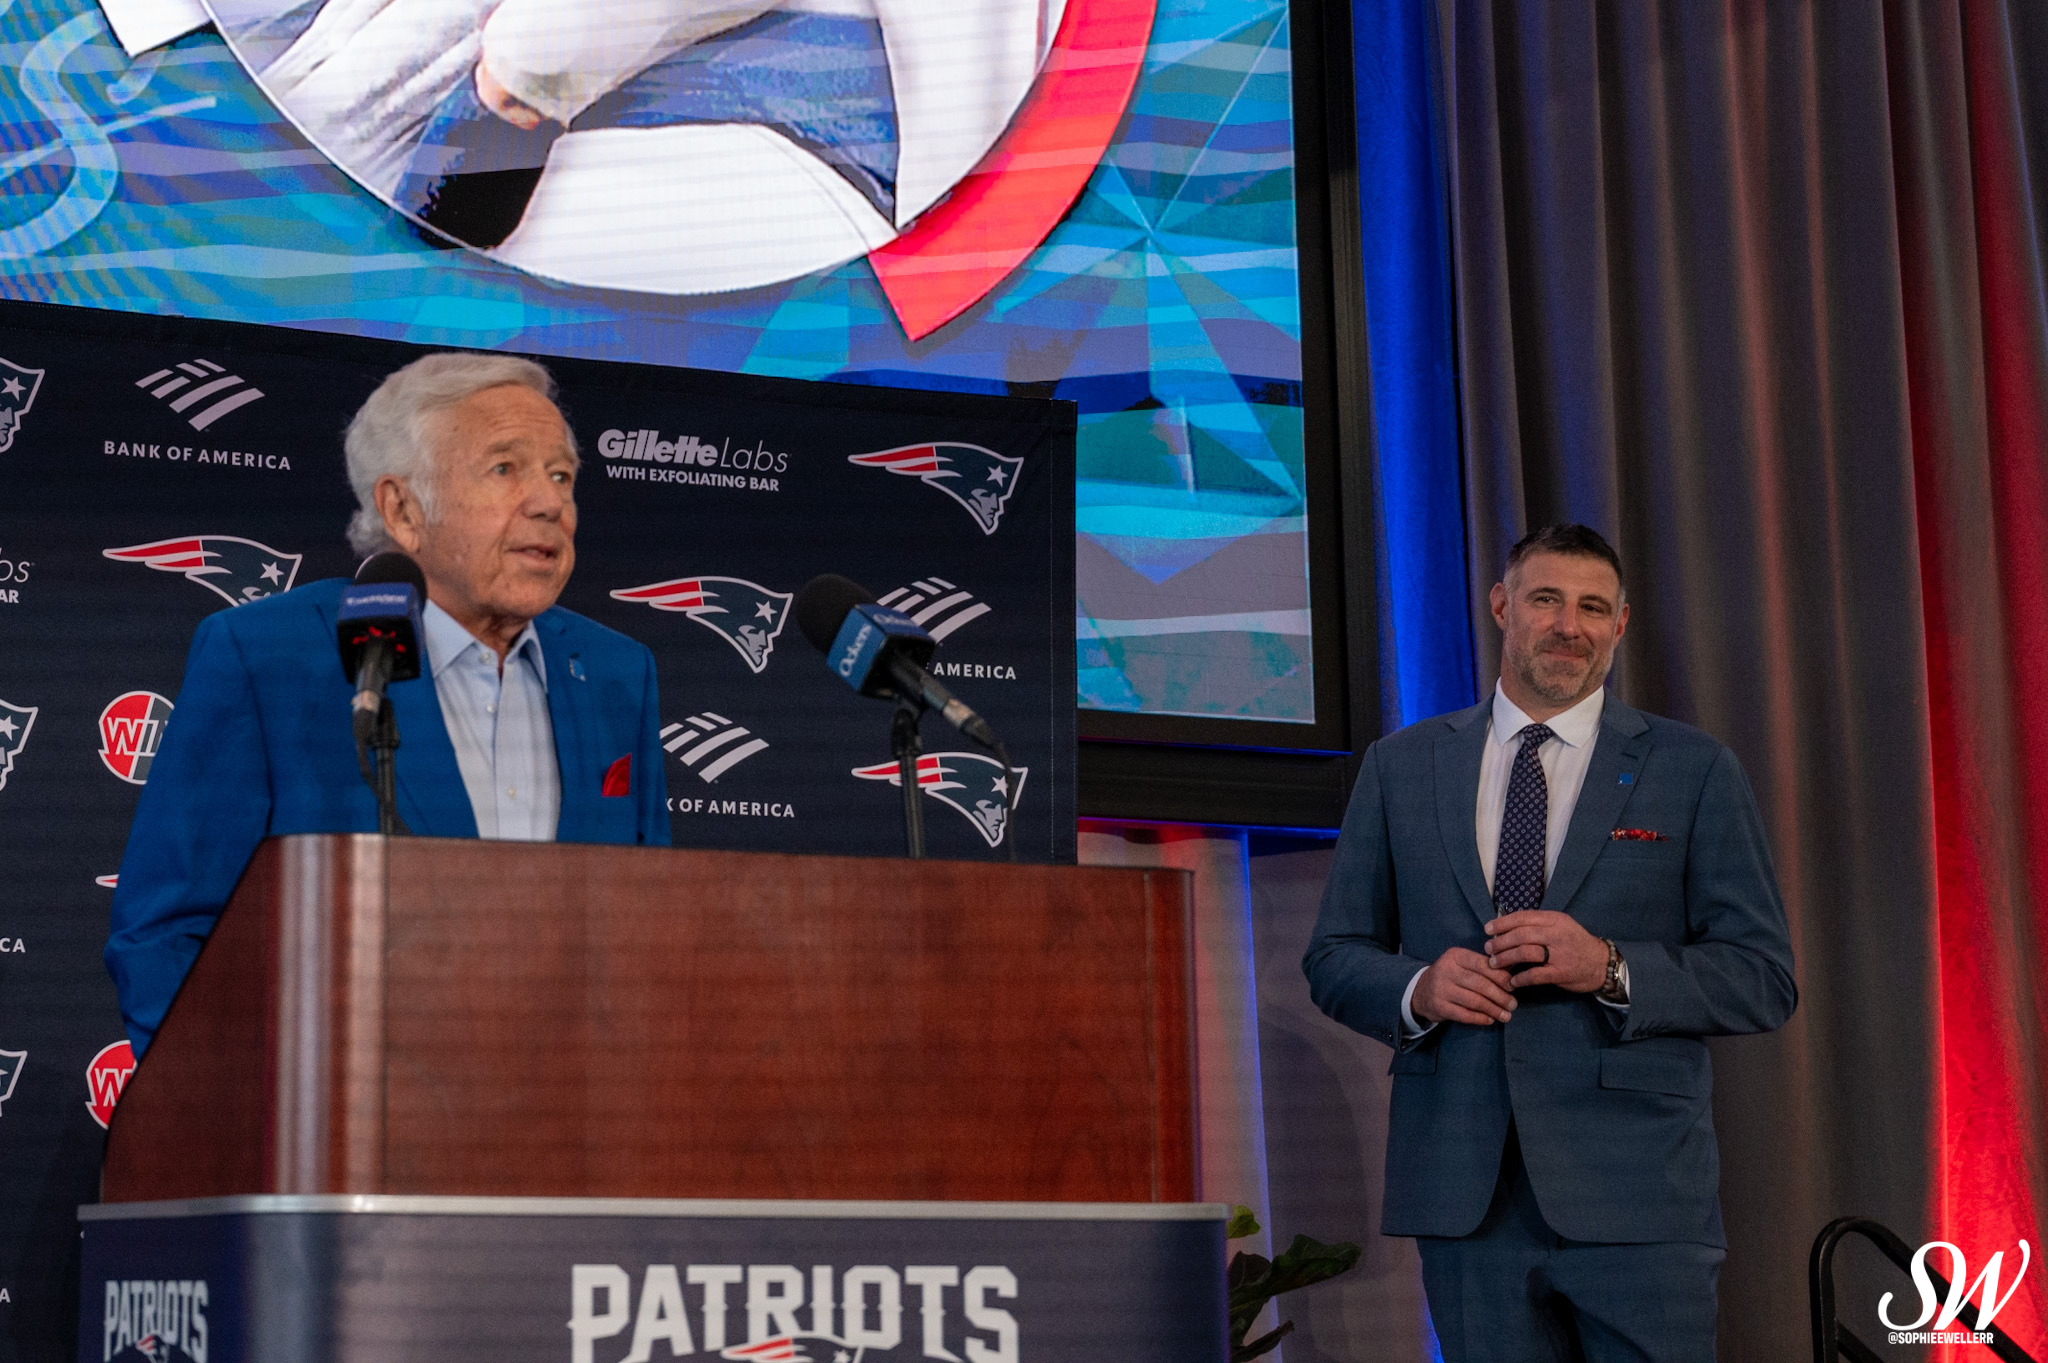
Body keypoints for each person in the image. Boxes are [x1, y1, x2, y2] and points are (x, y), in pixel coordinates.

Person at [1302, 524, 1796, 1363]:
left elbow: (1762, 975)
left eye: (1593, 607)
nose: (1570, 624)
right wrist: (1419, 988)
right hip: (1466, 1195)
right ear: (1502, 606)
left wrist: (1607, 965)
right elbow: (1335, 955)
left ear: (1620, 625)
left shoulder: (1693, 768)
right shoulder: (1400, 766)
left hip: (1638, 1199)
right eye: (1547, 599)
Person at [106, 352, 670, 1056]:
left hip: (567, 1124)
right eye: (506, 469)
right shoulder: (269, 656)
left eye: (561, 475)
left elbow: (652, 932)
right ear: (402, 509)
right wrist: (259, 1117)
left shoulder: (620, 673)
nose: (549, 501)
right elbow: (167, 933)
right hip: (341, 1130)